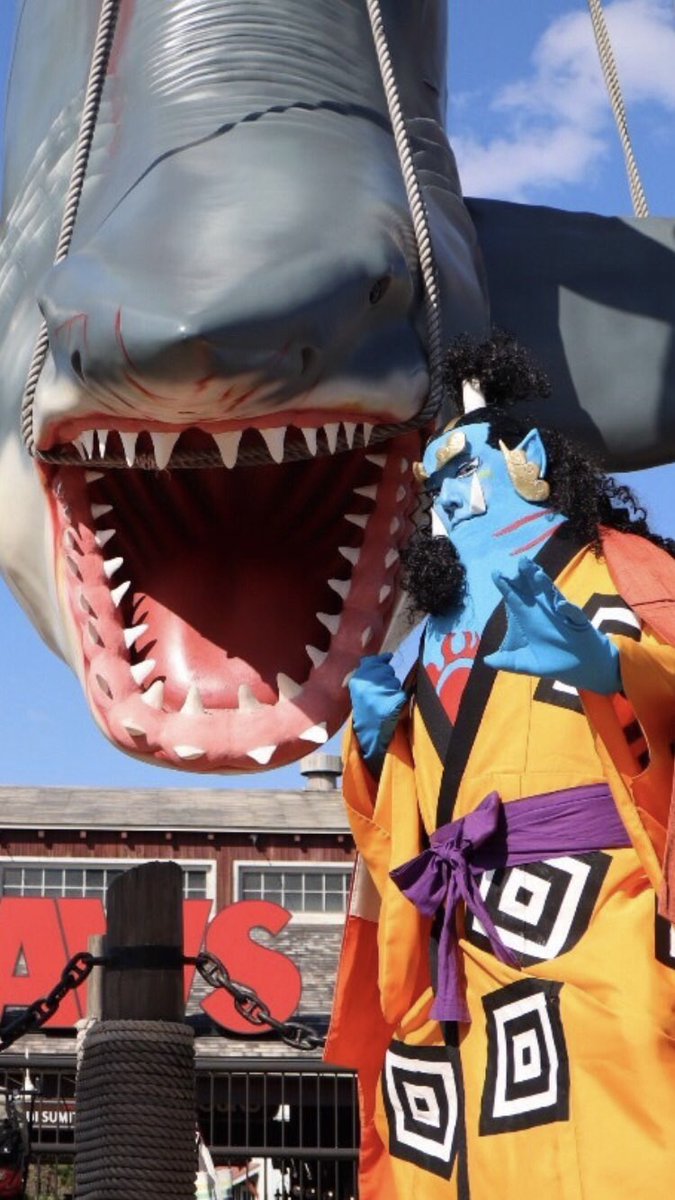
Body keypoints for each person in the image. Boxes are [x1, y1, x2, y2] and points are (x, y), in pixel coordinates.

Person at [324, 334, 675, 1199]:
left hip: (597, 900)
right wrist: (371, 747)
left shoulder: (624, 578)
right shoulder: (421, 639)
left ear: (529, 464)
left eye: (462, 469)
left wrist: (614, 668)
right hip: (455, 933)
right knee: (458, 1136)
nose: (445, 493)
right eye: (433, 481)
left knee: (619, 1086)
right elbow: (394, 817)